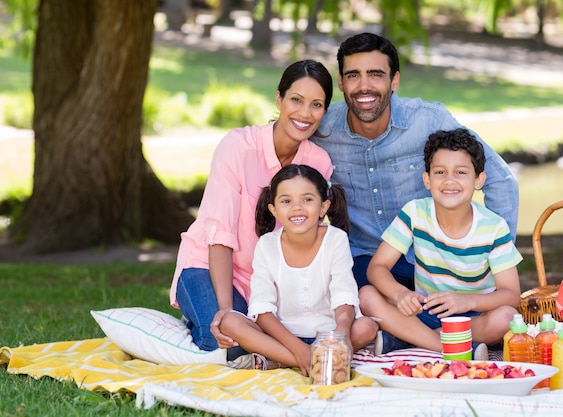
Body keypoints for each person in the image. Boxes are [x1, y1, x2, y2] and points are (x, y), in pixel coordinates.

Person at [310, 32, 519, 290]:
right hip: (365, 259)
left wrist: (496, 261)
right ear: (341, 83)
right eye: (353, 75)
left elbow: (500, 179)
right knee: (368, 304)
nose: (364, 86)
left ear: (394, 80)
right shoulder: (321, 130)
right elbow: (282, 157)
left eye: (375, 74)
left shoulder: (429, 121)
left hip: (432, 258)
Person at [169, 60, 336, 355]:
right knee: (224, 343)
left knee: (265, 340)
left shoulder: (318, 162)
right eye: (296, 100)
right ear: (279, 99)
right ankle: (301, 357)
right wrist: (226, 311)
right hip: (207, 265)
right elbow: (219, 234)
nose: (305, 114)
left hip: (265, 281)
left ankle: (288, 352)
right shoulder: (238, 147)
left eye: (316, 105)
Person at [359, 128, 522, 357]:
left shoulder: (493, 227)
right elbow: (377, 268)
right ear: (427, 179)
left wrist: (466, 302)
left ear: (478, 180)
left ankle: (408, 339)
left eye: (461, 172)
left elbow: (511, 294)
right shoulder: (415, 213)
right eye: (440, 172)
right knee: (366, 295)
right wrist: (400, 295)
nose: (449, 181)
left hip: (473, 317)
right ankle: (447, 347)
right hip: (425, 311)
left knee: (507, 318)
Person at [219, 164, 378, 374]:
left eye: (307, 199)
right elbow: (262, 308)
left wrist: (342, 332)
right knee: (229, 321)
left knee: (367, 327)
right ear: (274, 210)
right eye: (286, 201)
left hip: (328, 335)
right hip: (283, 336)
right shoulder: (267, 245)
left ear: (324, 207)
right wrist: (299, 348)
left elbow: (344, 295)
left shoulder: (336, 239)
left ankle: (285, 360)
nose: (297, 208)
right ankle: (309, 360)